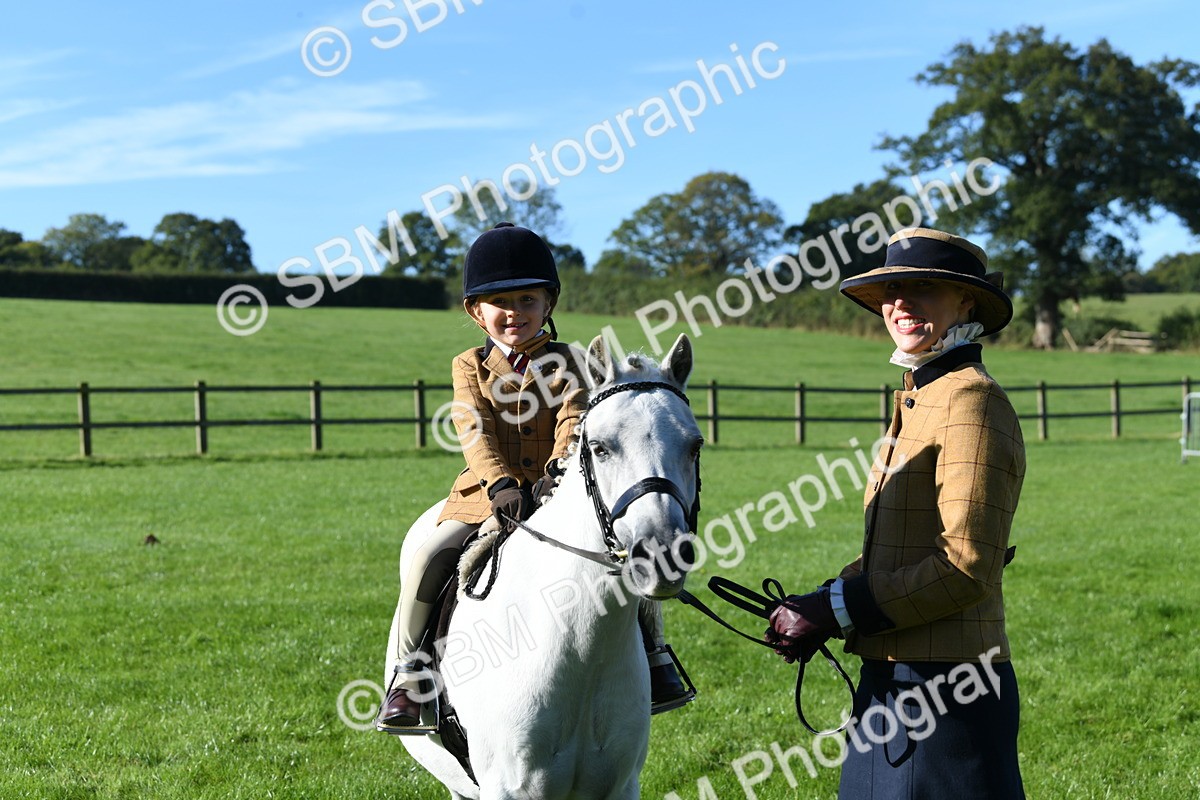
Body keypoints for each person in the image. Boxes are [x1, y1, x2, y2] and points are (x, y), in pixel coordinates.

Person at [377, 222, 692, 734]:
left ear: (549, 303)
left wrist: (554, 475)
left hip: (559, 493)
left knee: (627, 555)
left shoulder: (571, 362)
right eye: (499, 302)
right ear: (474, 311)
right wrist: (500, 484)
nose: (513, 313)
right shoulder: (469, 365)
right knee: (429, 558)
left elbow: (573, 417)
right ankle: (411, 675)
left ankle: (655, 657)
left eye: (527, 299)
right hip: (485, 496)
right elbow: (471, 427)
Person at [765, 227, 1027, 798]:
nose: (900, 304)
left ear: (966, 303)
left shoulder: (971, 401)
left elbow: (965, 566)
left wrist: (835, 610)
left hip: (946, 691)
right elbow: (903, 545)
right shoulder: (921, 395)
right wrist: (823, 599)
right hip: (890, 681)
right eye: (891, 291)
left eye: (922, 288)